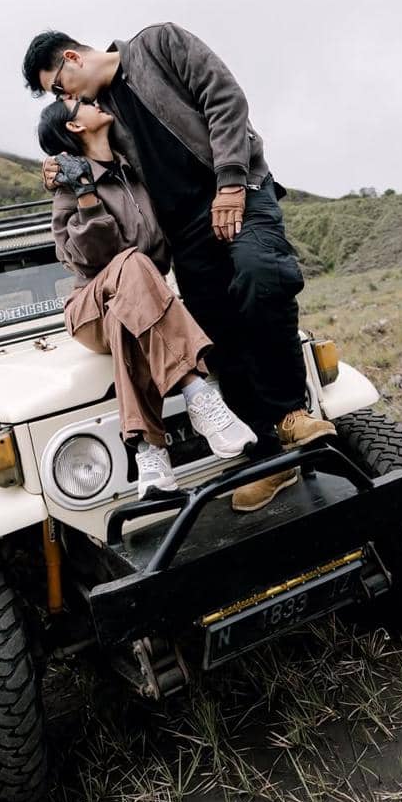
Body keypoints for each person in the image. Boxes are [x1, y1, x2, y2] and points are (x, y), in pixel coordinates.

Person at [23, 24, 336, 513]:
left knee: (261, 274)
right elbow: (89, 163)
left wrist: (230, 182)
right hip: (186, 233)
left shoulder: (160, 45)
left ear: (72, 58)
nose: (66, 99)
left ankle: (291, 415)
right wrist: (60, 168)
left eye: (60, 88)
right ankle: (269, 459)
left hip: (241, 192)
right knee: (215, 331)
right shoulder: (103, 119)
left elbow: (225, 98)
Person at [38, 94, 258, 502]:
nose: (93, 102)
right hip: (89, 305)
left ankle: (150, 452)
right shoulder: (67, 188)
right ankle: (197, 392)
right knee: (132, 266)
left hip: (135, 303)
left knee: (130, 313)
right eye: (81, 104)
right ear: (74, 126)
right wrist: (85, 193)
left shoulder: (135, 171)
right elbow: (93, 260)